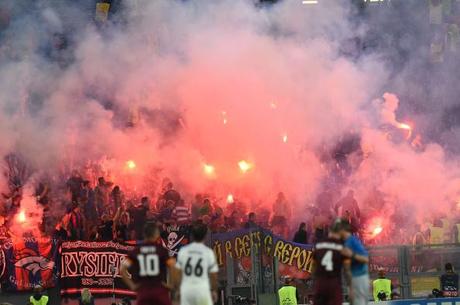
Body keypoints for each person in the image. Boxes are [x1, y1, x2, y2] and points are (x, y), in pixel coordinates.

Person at [120, 222, 175, 305]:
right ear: (156, 234)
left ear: (144, 234)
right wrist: (170, 285)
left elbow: (122, 269)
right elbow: (173, 267)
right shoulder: (162, 251)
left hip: (143, 292)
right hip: (159, 291)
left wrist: (133, 286)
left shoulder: (136, 251)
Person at [175, 223, 219, 305]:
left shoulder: (183, 251)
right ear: (204, 237)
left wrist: (178, 290)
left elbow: (178, 273)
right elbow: (213, 275)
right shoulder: (208, 252)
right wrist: (214, 291)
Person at [312, 219, 352, 305]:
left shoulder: (318, 245)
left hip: (320, 283)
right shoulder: (342, 248)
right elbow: (347, 271)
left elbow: (313, 266)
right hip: (334, 284)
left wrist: (315, 282)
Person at [339, 219, 370, 305]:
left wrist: (351, 255)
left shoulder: (352, 241)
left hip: (359, 278)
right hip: (355, 279)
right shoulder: (347, 242)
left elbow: (365, 259)